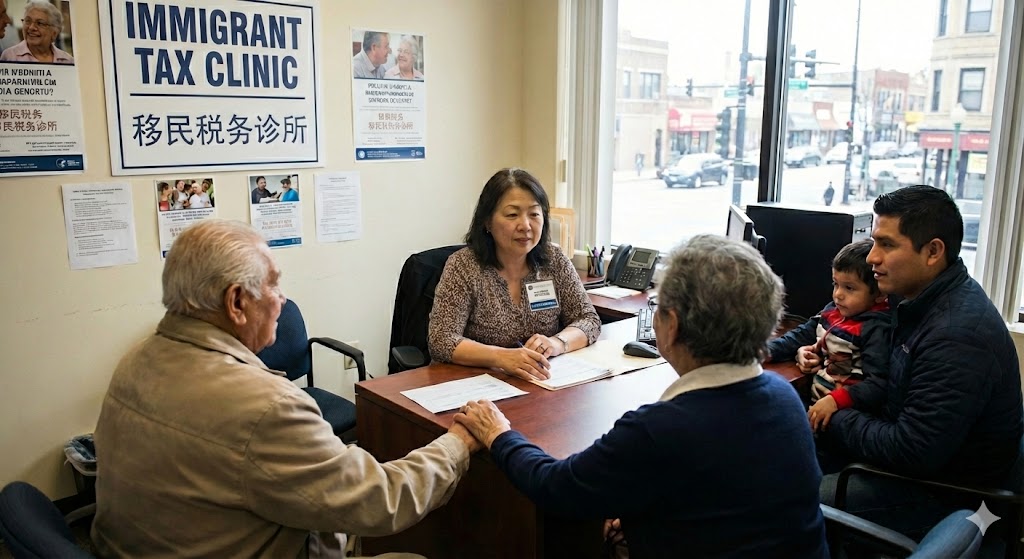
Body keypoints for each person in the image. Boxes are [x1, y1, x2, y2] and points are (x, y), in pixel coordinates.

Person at [91, 220, 480, 558]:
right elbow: (382, 501)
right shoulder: (266, 406)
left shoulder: (136, 360)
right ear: (237, 302)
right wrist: (458, 442)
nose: (283, 300)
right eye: (274, 285)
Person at [454, 235, 827, 558]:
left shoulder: (660, 429)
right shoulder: (784, 397)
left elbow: (555, 488)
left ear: (672, 324)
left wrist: (498, 433)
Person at [818, 185, 1023, 533]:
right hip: (920, 468)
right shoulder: (914, 298)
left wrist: (834, 418)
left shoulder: (957, 334)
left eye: (887, 244)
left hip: (946, 496)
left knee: (790, 495)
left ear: (932, 252)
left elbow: (911, 452)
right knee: (786, 457)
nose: (871, 258)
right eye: (874, 241)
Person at [428, 168, 601, 381]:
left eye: (534, 214)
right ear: (487, 222)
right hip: (476, 386)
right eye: (512, 215)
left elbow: (589, 319)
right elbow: (441, 340)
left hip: (539, 384)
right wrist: (501, 357)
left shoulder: (554, 260)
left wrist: (557, 343)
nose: (526, 226)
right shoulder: (464, 266)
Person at [765, 239, 890, 427]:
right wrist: (766, 351)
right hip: (817, 404)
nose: (837, 294)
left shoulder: (876, 329)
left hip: (842, 416)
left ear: (879, 293)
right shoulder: (834, 311)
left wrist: (835, 401)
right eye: (835, 284)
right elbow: (803, 334)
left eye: (849, 288)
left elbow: (877, 384)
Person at [0, 1, 74, 64]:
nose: (31, 27)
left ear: (54, 33)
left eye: (40, 23)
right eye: (28, 21)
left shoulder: (67, 60)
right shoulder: (10, 56)